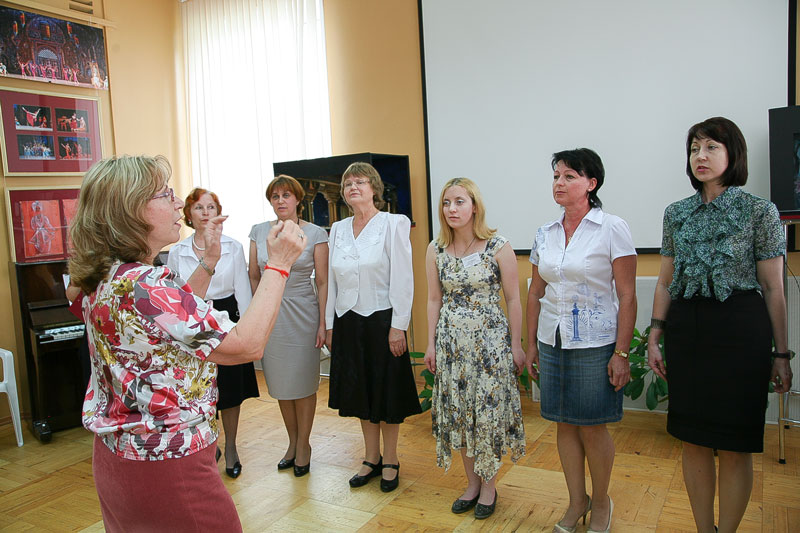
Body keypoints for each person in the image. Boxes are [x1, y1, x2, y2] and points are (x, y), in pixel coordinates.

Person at [68, 155, 304, 532]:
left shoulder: (107, 277)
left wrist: (208, 260)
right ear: (131, 210)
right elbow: (246, 345)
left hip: (119, 460)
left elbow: (169, 321)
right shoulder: (147, 286)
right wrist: (280, 264)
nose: (179, 203)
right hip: (169, 466)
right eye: (165, 195)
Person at [647, 117, 793, 533]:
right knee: (692, 439)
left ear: (733, 154)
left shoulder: (760, 211)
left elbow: (773, 287)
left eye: (712, 147)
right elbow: (665, 280)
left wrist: (781, 354)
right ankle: (703, 529)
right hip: (688, 331)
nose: (701, 156)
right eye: (695, 148)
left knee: (734, 444)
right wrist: (655, 334)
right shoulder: (677, 213)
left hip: (740, 332)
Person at [526, 148, 637, 533]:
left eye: (569, 176)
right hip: (553, 340)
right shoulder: (545, 233)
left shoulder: (611, 228)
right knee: (563, 424)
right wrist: (530, 344)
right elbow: (535, 292)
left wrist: (621, 352)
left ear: (591, 183)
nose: (559, 183)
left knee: (591, 426)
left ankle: (602, 500)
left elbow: (627, 295)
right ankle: (577, 501)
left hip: (595, 341)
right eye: (556, 176)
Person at [424, 177, 526, 520]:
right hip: (452, 347)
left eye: (459, 202)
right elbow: (434, 299)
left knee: (486, 416)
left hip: (490, 348)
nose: (451, 209)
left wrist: (516, 345)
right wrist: (430, 344)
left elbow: (513, 299)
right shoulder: (436, 249)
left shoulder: (498, 245)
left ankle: (489, 486)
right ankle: (471, 484)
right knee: (460, 415)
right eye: (446, 203)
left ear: (474, 206)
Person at [325, 162, 421, 492]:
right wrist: (330, 324)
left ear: (374, 188)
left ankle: (391, 458)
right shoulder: (337, 229)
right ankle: (371, 458)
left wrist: (399, 326)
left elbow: (403, 278)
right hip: (347, 321)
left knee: (385, 393)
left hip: (382, 320)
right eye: (348, 183)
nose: (353, 187)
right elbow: (332, 282)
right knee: (360, 393)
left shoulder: (394, 223)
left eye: (360, 181)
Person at [167, 187, 259, 479]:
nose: (206, 213)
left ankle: (231, 447)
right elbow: (174, 297)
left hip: (226, 316)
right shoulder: (177, 251)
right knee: (198, 389)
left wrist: (246, 329)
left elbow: (242, 289)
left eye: (211, 208)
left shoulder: (233, 246)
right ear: (189, 215)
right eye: (199, 208)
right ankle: (209, 446)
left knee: (230, 389)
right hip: (192, 319)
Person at [248, 175, 329, 477]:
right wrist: (257, 313)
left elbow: (323, 281)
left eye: (286, 195)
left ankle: (304, 445)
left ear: (297, 199)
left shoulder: (316, 233)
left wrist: (323, 322)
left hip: (304, 312)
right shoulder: (258, 231)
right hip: (271, 312)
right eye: (275, 196)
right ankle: (292, 443)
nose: (280, 201)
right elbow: (254, 276)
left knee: (303, 382)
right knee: (281, 383)